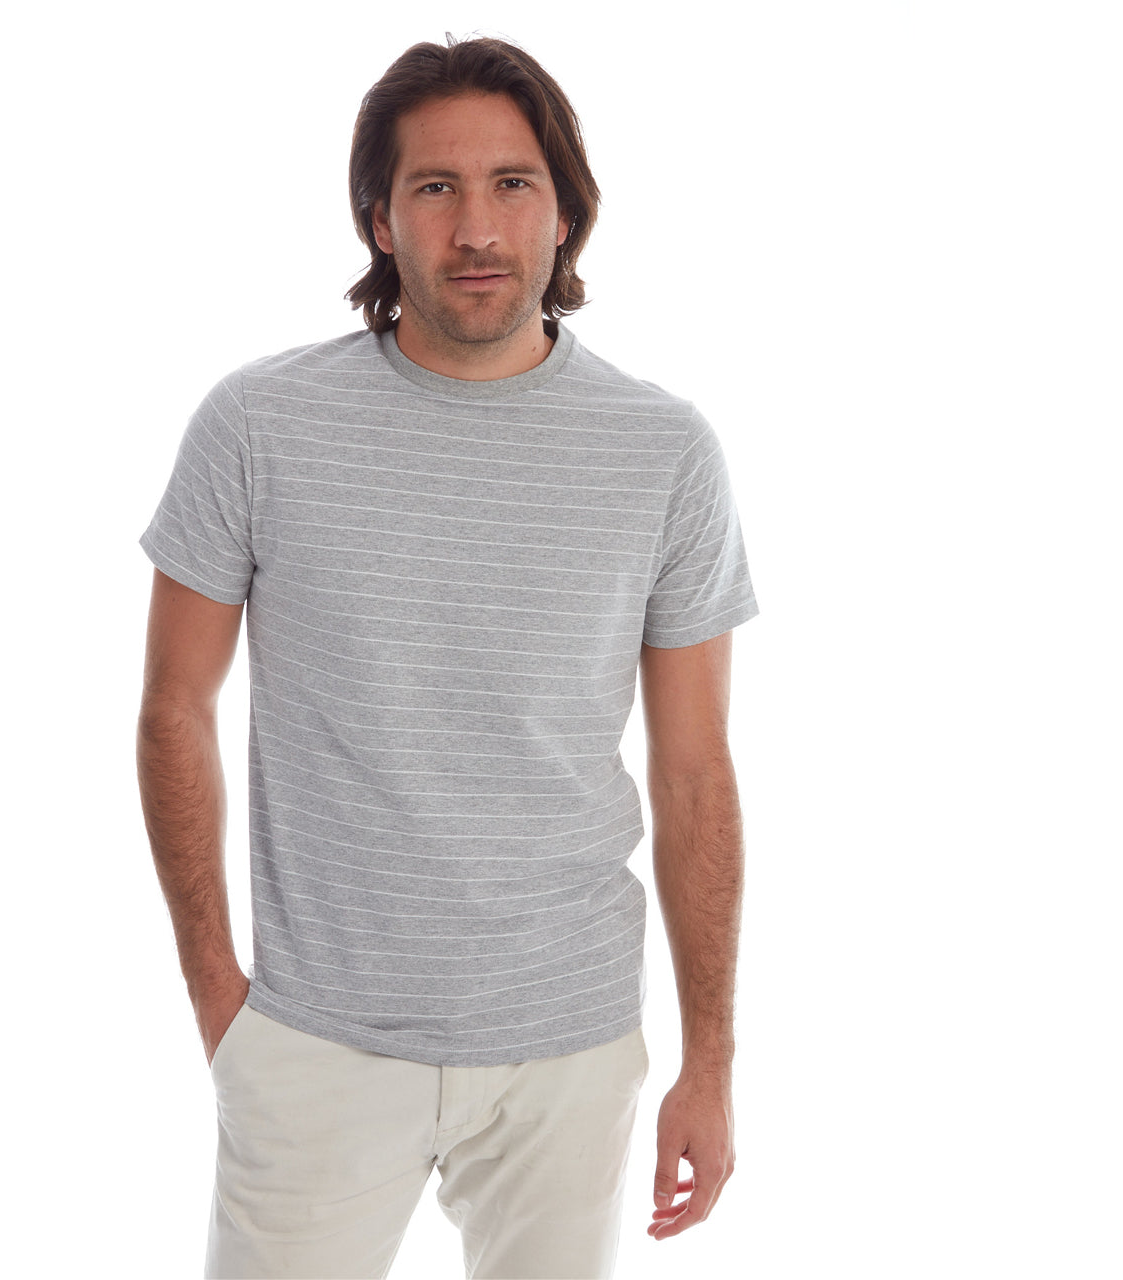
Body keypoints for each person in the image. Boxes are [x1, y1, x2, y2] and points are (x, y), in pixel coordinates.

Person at [137, 33, 758, 1280]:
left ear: (564, 210)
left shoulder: (662, 451)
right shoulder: (258, 425)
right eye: (434, 187)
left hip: (568, 1046)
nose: (475, 228)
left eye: (511, 184)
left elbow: (694, 770)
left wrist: (709, 1060)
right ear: (380, 218)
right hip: (314, 1040)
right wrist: (219, 996)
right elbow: (172, 707)